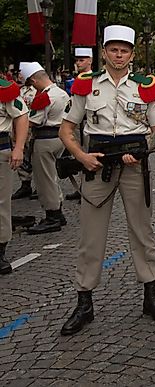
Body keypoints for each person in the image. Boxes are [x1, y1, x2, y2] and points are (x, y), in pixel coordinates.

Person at [58, 25, 155, 336]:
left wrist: (143, 150)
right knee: (91, 238)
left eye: (124, 50)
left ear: (132, 54)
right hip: (96, 164)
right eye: (113, 49)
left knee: (142, 232)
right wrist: (81, 157)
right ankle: (84, 303)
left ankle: (151, 296)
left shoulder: (146, 86)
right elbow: (66, 130)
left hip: (134, 166)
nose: (119, 55)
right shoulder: (86, 85)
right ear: (103, 51)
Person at [19, 62, 70, 234]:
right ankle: (58, 212)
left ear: (34, 80)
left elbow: (33, 121)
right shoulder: (61, 93)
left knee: (45, 180)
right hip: (59, 137)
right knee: (52, 177)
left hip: (44, 139)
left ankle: (52, 216)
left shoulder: (44, 97)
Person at [0, 75, 29, 274]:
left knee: (1, 202)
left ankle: (0, 249)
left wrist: (18, 147)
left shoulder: (4, 89)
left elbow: (21, 115)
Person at [65, 47, 93, 202]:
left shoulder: (93, 79)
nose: (78, 63)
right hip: (76, 121)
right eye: (77, 60)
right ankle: (83, 186)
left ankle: (87, 188)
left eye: (82, 60)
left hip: (89, 122)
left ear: (90, 61)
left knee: (88, 153)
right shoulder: (78, 78)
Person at [10, 66, 37, 201]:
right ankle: (25, 183)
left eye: (22, 73)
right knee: (22, 157)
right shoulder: (19, 90)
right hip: (17, 129)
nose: (19, 76)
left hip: (33, 127)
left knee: (35, 157)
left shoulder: (37, 91)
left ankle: (40, 186)